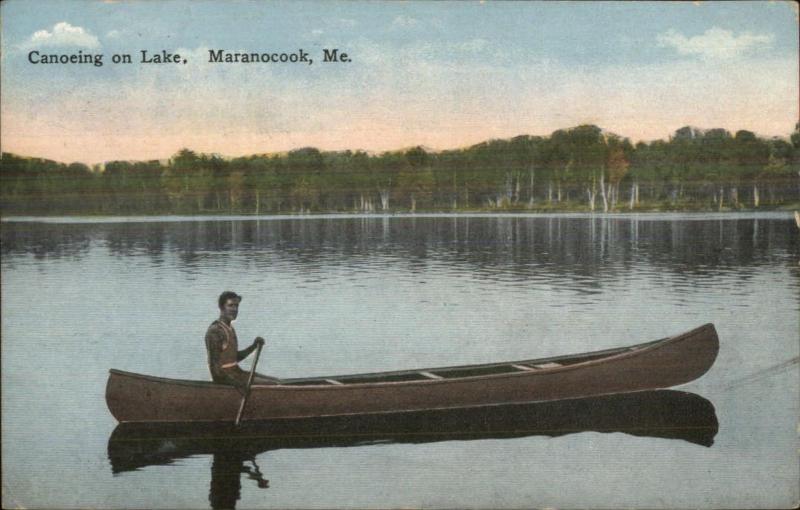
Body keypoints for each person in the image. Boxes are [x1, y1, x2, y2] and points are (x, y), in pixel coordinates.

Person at [205, 291, 279, 390]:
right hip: (227, 378)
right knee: (274, 384)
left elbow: (233, 357)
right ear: (222, 307)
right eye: (230, 305)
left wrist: (253, 346)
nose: (234, 309)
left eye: (236, 306)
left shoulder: (229, 328)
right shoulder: (215, 331)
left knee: (277, 381)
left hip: (237, 373)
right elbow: (215, 371)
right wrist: (238, 384)